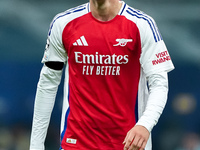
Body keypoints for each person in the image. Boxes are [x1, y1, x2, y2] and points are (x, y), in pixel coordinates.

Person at [29, 0, 174, 150]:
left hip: (127, 145)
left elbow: (159, 84)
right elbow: (47, 84)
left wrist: (145, 124)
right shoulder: (64, 23)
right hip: (75, 143)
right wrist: (36, 145)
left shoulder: (142, 24)